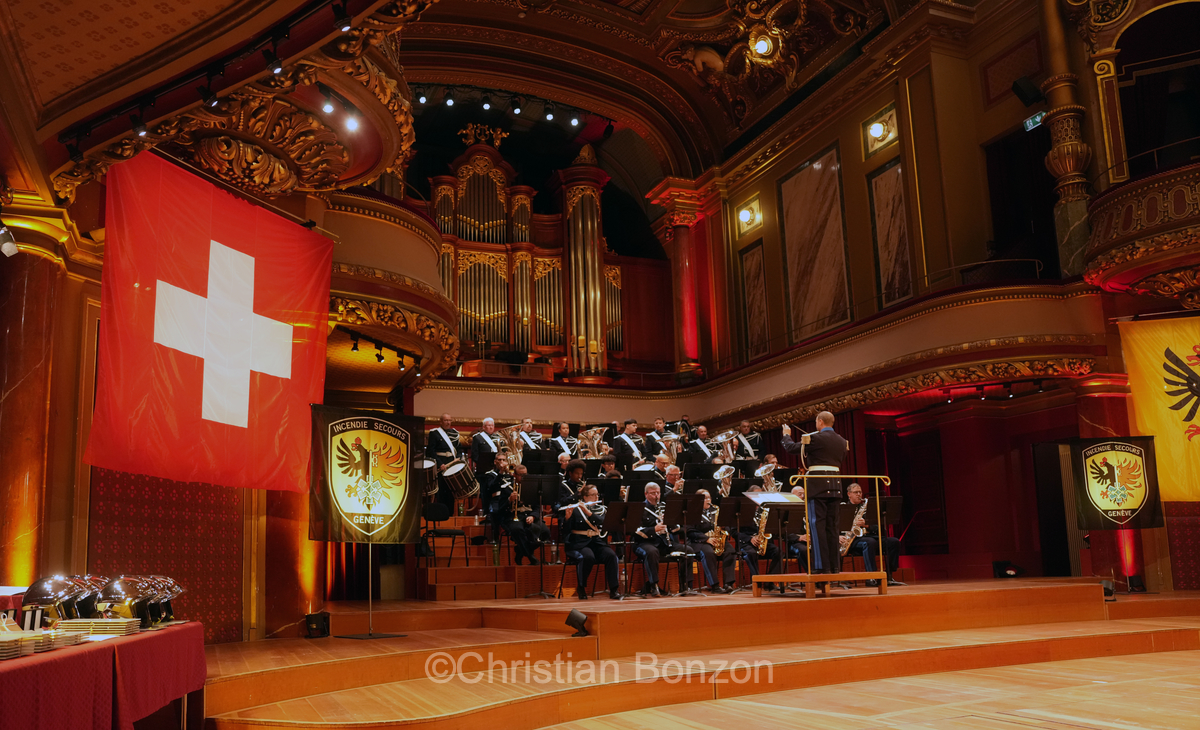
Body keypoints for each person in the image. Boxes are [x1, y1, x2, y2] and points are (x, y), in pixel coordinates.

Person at [781, 411, 848, 582]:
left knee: (817, 526)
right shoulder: (842, 441)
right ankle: (834, 567)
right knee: (832, 527)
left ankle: (821, 566)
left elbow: (791, 448)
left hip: (817, 485)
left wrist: (786, 436)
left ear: (819, 422)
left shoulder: (814, 438)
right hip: (835, 485)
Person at [562, 484, 622, 600]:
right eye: (592, 495)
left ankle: (614, 589)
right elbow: (565, 531)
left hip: (598, 542)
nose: (596, 497)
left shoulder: (603, 510)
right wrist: (567, 519)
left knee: (611, 556)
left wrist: (588, 512)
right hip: (579, 543)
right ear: (584, 497)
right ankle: (581, 587)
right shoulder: (575, 509)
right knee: (588, 556)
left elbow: (603, 523)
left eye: (597, 495)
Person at [843, 482, 904, 587]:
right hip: (853, 540)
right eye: (856, 492)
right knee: (869, 543)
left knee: (894, 542)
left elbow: (878, 526)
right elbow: (837, 526)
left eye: (860, 492)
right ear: (849, 494)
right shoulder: (844, 508)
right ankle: (871, 577)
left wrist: (867, 525)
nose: (859, 494)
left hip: (870, 537)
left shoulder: (868, 507)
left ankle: (888, 576)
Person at [633, 482, 685, 597]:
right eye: (653, 493)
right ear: (646, 494)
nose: (656, 496)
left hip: (662, 542)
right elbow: (636, 530)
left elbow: (675, 528)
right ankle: (654, 586)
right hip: (643, 543)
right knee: (652, 552)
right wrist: (654, 529)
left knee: (687, 549)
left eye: (658, 493)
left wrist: (670, 522)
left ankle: (685, 586)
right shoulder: (640, 508)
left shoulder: (663, 507)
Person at [492, 459, 543, 565]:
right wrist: (509, 500)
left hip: (528, 516)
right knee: (517, 530)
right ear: (514, 475)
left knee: (545, 531)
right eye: (521, 475)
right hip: (512, 516)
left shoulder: (532, 487)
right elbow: (500, 508)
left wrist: (533, 516)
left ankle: (520, 551)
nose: (523, 477)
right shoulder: (506, 488)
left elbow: (538, 507)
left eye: (525, 474)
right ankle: (530, 556)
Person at [686, 488, 735, 592]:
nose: (708, 500)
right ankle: (715, 585)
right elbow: (689, 531)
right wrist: (706, 539)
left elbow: (726, 527)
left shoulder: (715, 510)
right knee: (708, 553)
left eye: (709, 497)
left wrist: (723, 527)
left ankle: (728, 583)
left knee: (730, 550)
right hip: (698, 542)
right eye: (705, 498)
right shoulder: (691, 512)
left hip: (716, 539)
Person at [737, 485, 781, 590]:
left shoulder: (763, 510)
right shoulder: (742, 511)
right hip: (746, 542)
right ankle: (758, 582)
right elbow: (734, 532)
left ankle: (769, 581)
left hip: (762, 541)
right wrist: (750, 538)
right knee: (750, 553)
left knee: (778, 551)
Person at [425, 413, 462, 509]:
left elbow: (459, 449)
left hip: (452, 465)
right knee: (442, 490)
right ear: (441, 421)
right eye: (446, 420)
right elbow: (431, 451)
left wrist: (458, 458)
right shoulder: (434, 433)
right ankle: (442, 512)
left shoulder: (454, 433)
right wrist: (439, 464)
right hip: (441, 465)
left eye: (450, 420)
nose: (448, 422)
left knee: (452, 489)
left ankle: (450, 512)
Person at [471, 417, 502, 483]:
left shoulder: (498, 437)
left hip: (497, 468)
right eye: (489, 425)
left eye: (492, 425)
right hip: (483, 470)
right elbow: (475, 454)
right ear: (484, 427)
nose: (491, 427)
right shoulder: (478, 437)